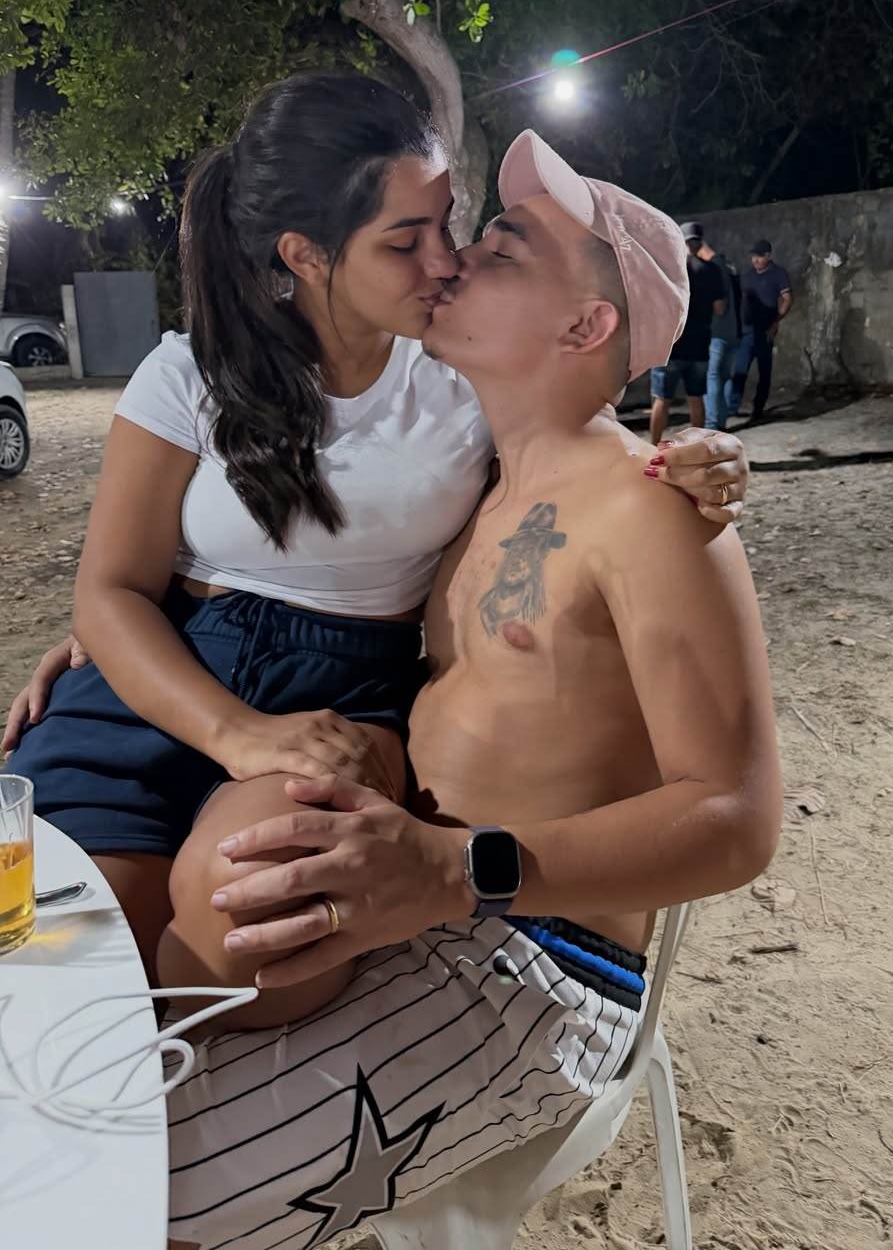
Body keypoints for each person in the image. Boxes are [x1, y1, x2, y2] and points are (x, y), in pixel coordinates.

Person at [2, 71, 749, 1031]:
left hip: (341, 685)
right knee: (57, 956)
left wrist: (707, 456)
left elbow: (576, 433)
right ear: (306, 253)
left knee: (242, 927)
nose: (446, 260)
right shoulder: (189, 372)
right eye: (406, 240)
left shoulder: (462, 371)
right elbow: (111, 588)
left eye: (449, 224)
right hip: (170, 670)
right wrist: (151, 673)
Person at [156, 130, 782, 1249]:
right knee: (110, 1065)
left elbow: (736, 819)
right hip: (417, 904)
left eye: (504, 246)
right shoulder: (481, 487)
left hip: (538, 968)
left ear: (584, 326)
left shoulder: (650, 508)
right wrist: (116, 627)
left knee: (139, 1191)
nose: (456, 258)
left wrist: (452, 872)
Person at [647, 222, 715, 444]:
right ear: (700, 242)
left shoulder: (669, 269)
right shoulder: (711, 271)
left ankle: (653, 448)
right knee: (696, 398)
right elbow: (720, 307)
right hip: (699, 345)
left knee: (662, 399)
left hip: (670, 346)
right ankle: (696, 448)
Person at [678, 222, 741, 432]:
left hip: (716, 334)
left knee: (711, 379)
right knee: (722, 377)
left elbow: (719, 308)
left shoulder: (711, 268)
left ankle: (713, 425)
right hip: (733, 332)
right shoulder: (728, 269)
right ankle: (721, 421)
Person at [728, 238, 792, 424]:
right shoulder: (747, 276)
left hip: (765, 332)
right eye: (753, 256)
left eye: (759, 256)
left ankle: (758, 410)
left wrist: (775, 322)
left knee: (764, 373)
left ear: (768, 256)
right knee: (739, 371)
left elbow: (787, 298)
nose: (755, 260)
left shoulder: (778, 274)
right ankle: (732, 407)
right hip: (747, 332)